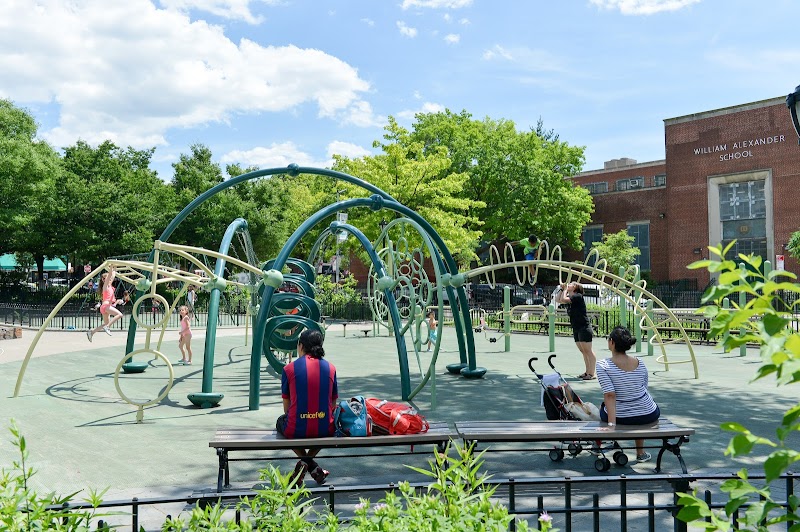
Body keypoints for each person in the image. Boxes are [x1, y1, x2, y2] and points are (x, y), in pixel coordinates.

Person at [276, 329, 338, 485]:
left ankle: (306, 463)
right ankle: (310, 464)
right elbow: (332, 405)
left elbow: (287, 409)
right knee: (325, 426)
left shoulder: (289, 369)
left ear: (300, 346)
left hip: (296, 428)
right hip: (324, 427)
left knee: (281, 422)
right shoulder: (331, 368)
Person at [596, 326, 660, 462]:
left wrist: (611, 425)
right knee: (638, 402)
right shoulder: (640, 362)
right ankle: (640, 452)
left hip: (621, 417)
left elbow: (610, 395)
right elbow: (644, 387)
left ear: (611, 342)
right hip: (648, 414)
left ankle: (606, 443)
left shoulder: (603, 365)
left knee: (603, 408)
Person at [556, 281, 597, 380]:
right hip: (577, 327)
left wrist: (565, 289)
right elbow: (558, 299)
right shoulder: (571, 298)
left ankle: (592, 373)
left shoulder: (578, 296)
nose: (568, 284)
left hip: (584, 327)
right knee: (583, 351)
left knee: (588, 351)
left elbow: (563, 299)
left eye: (571, 284)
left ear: (575, 288)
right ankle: (587, 371)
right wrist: (562, 289)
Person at [87, 266, 123, 342]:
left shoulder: (110, 285)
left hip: (105, 307)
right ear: (104, 280)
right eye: (107, 278)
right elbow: (110, 275)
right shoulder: (105, 286)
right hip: (106, 306)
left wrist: (114, 267)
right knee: (120, 315)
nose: (110, 279)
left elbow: (112, 275)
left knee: (106, 323)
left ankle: (92, 333)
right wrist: (110, 269)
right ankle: (108, 327)